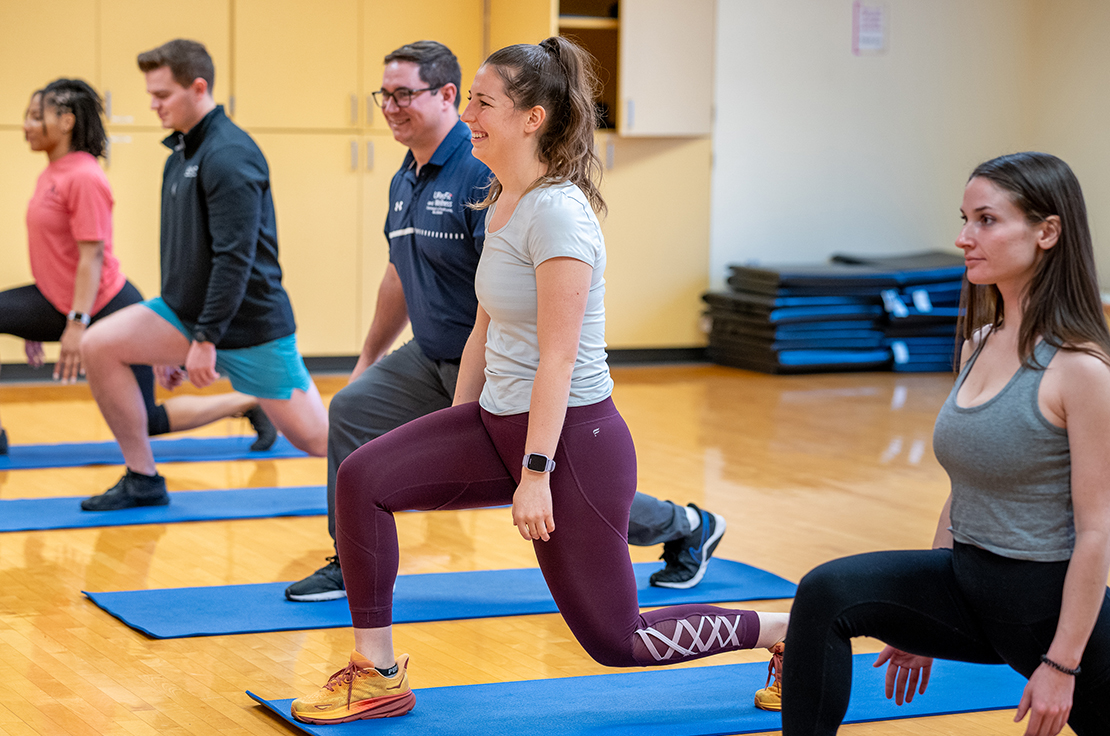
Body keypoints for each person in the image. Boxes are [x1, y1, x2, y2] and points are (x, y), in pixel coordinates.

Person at [289, 37, 787, 725]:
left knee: (619, 639)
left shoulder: (559, 214)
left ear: (534, 118)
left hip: (575, 443)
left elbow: (558, 359)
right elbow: (483, 328)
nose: (468, 114)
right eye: (469, 99)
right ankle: (375, 674)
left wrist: (536, 472)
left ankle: (783, 631)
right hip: (497, 421)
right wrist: (454, 425)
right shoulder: (505, 200)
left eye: (483, 102)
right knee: (362, 480)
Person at [780, 152, 1110, 734]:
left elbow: (1097, 534)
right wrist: (920, 619)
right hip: (969, 586)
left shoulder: (1081, 371)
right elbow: (963, 488)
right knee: (824, 593)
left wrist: (1062, 664)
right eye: (964, 219)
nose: (964, 238)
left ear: (1047, 231)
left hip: (1046, 611)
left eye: (986, 220)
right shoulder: (979, 343)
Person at [79, 40, 328, 511]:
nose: (152, 105)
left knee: (319, 440)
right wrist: (168, 333)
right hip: (189, 316)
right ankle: (142, 477)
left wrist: (205, 338)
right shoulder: (180, 154)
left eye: (162, 95)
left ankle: (408, 472)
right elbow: (183, 258)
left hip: (250, 329)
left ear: (198, 87)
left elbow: (234, 259)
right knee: (100, 344)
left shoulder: (230, 154)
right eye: (151, 95)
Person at [0, 78, 275, 460]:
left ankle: (247, 401)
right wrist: (27, 321)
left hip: (105, 305)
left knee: (146, 421)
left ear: (65, 122)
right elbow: (57, 256)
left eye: (35, 116)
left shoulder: (83, 176)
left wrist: (76, 324)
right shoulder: (53, 172)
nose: (25, 125)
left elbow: (92, 256)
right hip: (67, 301)